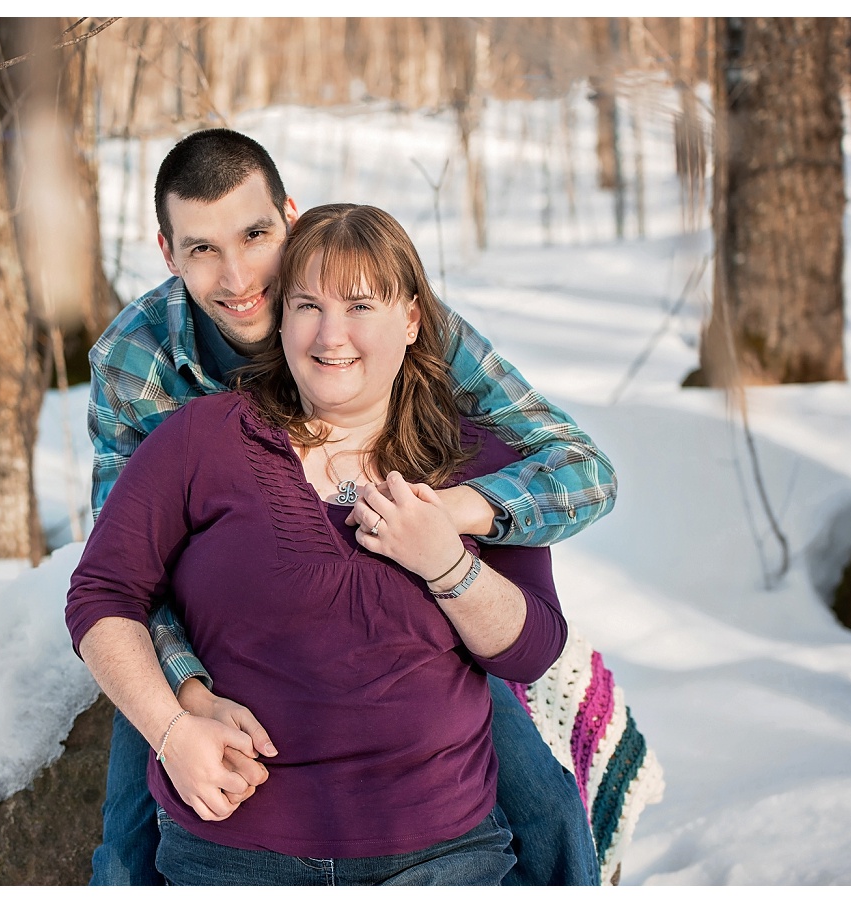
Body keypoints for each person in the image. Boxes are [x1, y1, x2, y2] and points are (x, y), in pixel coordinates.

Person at [85, 128, 613, 885]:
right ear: (168, 253)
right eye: (202, 249)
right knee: (131, 832)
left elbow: (581, 469)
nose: (237, 277)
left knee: (547, 804)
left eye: (255, 234)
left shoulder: (378, 309)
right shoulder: (135, 359)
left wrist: (448, 518)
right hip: (210, 625)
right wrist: (186, 700)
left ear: (290, 219)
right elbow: (126, 564)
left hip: (400, 625)